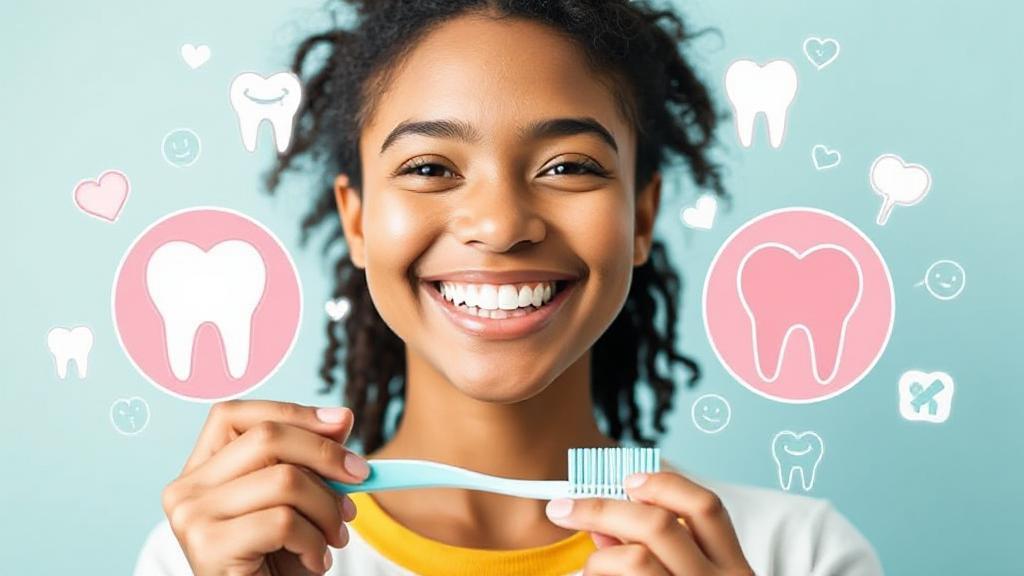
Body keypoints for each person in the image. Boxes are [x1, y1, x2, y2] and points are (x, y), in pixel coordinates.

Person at [135, 1, 884, 574]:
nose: (499, 225)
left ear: (641, 215)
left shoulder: (800, 553)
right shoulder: (222, 551)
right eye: (430, 168)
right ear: (356, 220)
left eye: (569, 167)